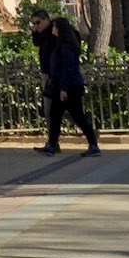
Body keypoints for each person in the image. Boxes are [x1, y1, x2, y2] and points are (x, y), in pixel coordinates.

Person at [36, 18, 100, 156]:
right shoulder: (61, 45)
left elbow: (68, 69)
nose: (52, 29)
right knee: (56, 115)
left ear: (59, 29)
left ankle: (93, 144)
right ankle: (52, 145)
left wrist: (64, 88)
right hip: (63, 86)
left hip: (69, 88)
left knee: (77, 117)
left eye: (54, 27)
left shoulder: (66, 48)